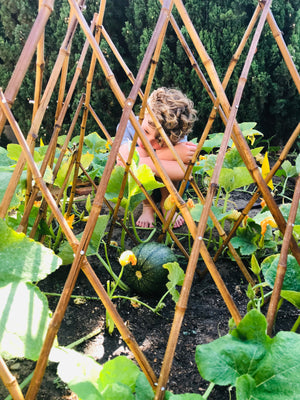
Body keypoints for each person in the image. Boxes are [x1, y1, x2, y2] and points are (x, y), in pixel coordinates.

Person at [117, 87, 197, 228]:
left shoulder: (176, 131)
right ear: (143, 113)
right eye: (146, 131)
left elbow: (183, 172)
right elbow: (123, 162)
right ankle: (148, 205)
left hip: (173, 186)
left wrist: (146, 158)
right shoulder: (128, 124)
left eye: (160, 140)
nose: (148, 141)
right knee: (139, 153)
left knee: (140, 155)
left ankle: (167, 203)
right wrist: (169, 153)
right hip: (138, 187)